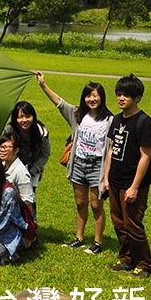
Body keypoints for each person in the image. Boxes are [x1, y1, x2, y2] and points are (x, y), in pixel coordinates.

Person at [37, 72, 113, 255]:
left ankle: (97, 242)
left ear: (102, 97)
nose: (91, 99)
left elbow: (111, 148)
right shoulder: (77, 115)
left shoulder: (110, 120)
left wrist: (108, 175)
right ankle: (79, 238)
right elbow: (59, 102)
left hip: (97, 166)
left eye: (95, 95)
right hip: (78, 163)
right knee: (80, 203)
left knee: (96, 205)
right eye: (88, 95)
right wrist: (42, 85)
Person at [102, 74, 151, 278]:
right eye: (118, 94)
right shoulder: (116, 119)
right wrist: (107, 178)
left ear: (138, 97)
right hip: (115, 180)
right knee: (119, 223)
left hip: (133, 184)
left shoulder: (144, 122)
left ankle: (144, 264)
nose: (121, 98)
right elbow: (111, 150)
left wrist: (134, 187)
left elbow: (145, 157)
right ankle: (126, 259)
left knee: (133, 224)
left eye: (126, 95)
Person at [3, 101, 50, 205]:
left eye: (28, 116)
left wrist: (33, 170)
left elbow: (44, 154)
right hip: (12, 169)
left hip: (32, 170)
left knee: (28, 200)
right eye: (20, 117)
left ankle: (30, 220)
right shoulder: (9, 130)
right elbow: (2, 150)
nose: (24, 120)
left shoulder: (40, 131)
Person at [0, 133, 34, 215]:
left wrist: (26, 225)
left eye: (6, 147)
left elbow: (27, 201)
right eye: (0, 147)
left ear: (16, 150)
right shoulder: (1, 165)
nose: (2, 150)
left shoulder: (21, 172)